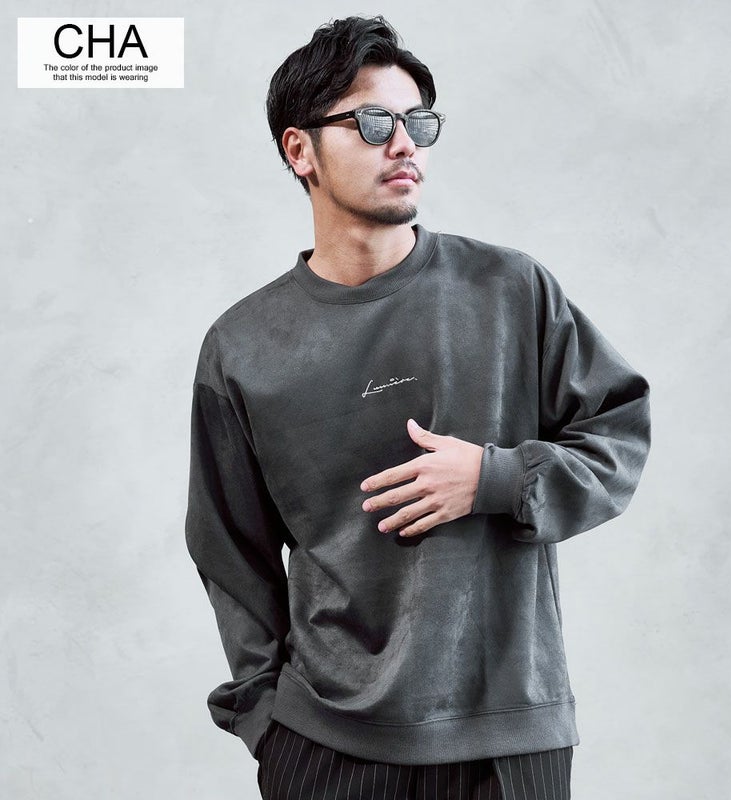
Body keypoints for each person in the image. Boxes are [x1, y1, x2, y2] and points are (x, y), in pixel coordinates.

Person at [185, 15, 651, 800]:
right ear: (300, 150)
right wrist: (269, 723)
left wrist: (496, 479)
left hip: (508, 742)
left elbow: (620, 437)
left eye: (418, 123)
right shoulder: (244, 346)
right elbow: (230, 551)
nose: (404, 144)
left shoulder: (510, 291)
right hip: (328, 748)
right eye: (373, 123)